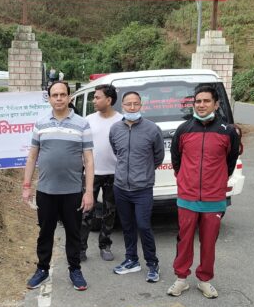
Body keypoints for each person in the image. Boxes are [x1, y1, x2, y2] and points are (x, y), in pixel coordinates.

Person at [167, 83, 240, 299]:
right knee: (184, 240)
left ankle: (205, 280)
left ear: (216, 104)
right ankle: (181, 279)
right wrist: (185, 179)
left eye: (206, 101)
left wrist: (217, 181)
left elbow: (230, 161)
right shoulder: (184, 129)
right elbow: (176, 159)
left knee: (208, 242)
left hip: (214, 198)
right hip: (187, 197)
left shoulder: (227, 131)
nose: (201, 105)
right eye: (198, 101)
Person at [22, 81, 94, 291]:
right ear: (49, 99)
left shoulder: (82, 124)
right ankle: (42, 269)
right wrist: (26, 186)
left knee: (73, 233)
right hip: (46, 191)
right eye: (55, 95)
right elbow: (32, 156)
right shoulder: (41, 123)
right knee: (45, 232)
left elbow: (89, 160)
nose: (59, 98)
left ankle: (75, 270)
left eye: (63, 94)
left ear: (69, 97)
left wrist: (89, 192)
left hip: (72, 192)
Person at [110, 91, 164, 282]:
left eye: (135, 104)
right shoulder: (115, 129)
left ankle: (152, 263)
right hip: (120, 187)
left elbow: (158, 156)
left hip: (143, 188)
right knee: (127, 226)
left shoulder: (152, 129)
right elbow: (117, 152)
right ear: (122, 106)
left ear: (141, 105)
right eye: (128, 104)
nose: (132, 107)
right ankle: (131, 259)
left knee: (143, 225)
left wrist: (143, 172)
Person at [79, 84, 122, 262]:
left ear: (109, 100)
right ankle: (81, 248)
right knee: (85, 211)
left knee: (109, 212)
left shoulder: (121, 120)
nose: (93, 101)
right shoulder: (88, 120)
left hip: (114, 173)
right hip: (92, 174)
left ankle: (105, 245)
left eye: (97, 97)